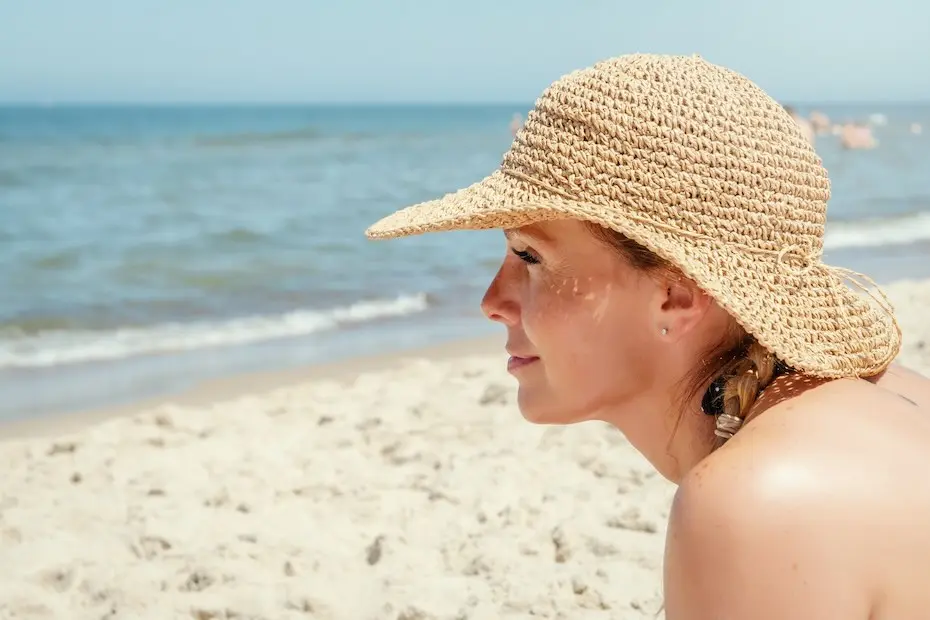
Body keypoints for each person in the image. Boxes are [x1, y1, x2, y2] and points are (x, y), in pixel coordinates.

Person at [365, 54, 930, 619]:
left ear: (676, 297)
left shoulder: (758, 502)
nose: (492, 302)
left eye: (529, 256)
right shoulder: (886, 390)